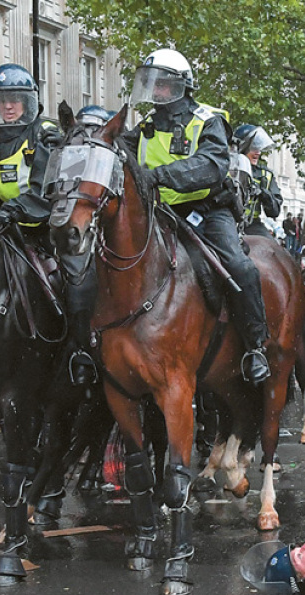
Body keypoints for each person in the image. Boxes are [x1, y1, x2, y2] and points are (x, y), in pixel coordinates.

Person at [120, 48, 271, 383]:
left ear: (182, 85)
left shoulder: (208, 120)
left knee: (239, 266)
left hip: (206, 210)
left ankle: (254, 346)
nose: (156, 91)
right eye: (151, 84)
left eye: (163, 84)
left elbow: (212, 165)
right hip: (158, 212)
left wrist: (160, 176)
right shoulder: (143, 127)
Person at [0, 64, 98, 386]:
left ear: (28, 101)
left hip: (48, 231)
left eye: (15, 98)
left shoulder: (47, 135)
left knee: (75, 281)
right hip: (5, 231)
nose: (8, 106)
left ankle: (81, 353)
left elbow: (53, 190)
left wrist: (12, 211)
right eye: (2, 99)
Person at [232, 124, 283, 239]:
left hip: (253, 225)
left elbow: (274, 212)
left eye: (259, 148)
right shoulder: (227, 168)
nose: (258, 152)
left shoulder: (266, 175)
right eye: (254, 147)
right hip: (227, 221)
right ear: (242, 147)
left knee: (275, 250)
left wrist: (265, 194)